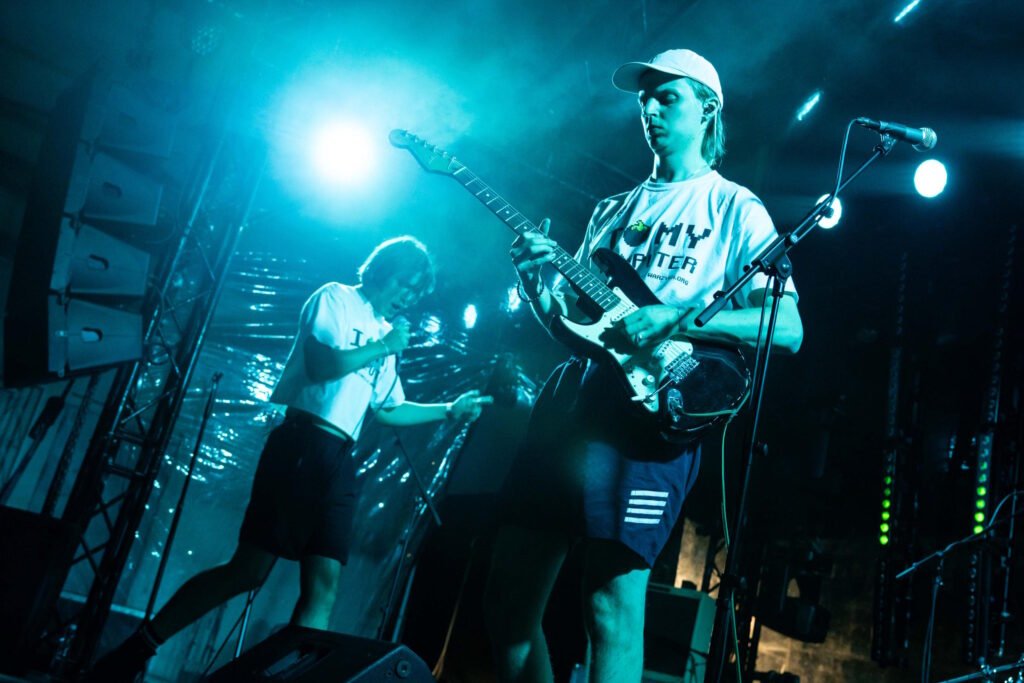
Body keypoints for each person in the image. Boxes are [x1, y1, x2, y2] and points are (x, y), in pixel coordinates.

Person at [484, 50, 804, 682]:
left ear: (707, 109)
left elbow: (787, 328)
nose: (650, 109)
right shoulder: (611, 210)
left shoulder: (735, 208)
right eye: (644, 100)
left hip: (651, 415)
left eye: (667, 97)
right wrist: (536, 288)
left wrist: (677, 319)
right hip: (573, 404)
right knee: (507, 598)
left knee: (610, 609)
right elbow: (579, 332)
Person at [91, 236, 493, 681]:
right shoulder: (336, 299)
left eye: (417, 292)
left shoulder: (385, 332)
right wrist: (384, 346)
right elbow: (321, 366)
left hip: (341, 458)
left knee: (324, 584)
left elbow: (388, 408)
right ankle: (139, 646)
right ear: (383, 270)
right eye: (405, 283)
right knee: (247, 570)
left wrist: (448, 409)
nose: (408, 297)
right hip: (302, 444)